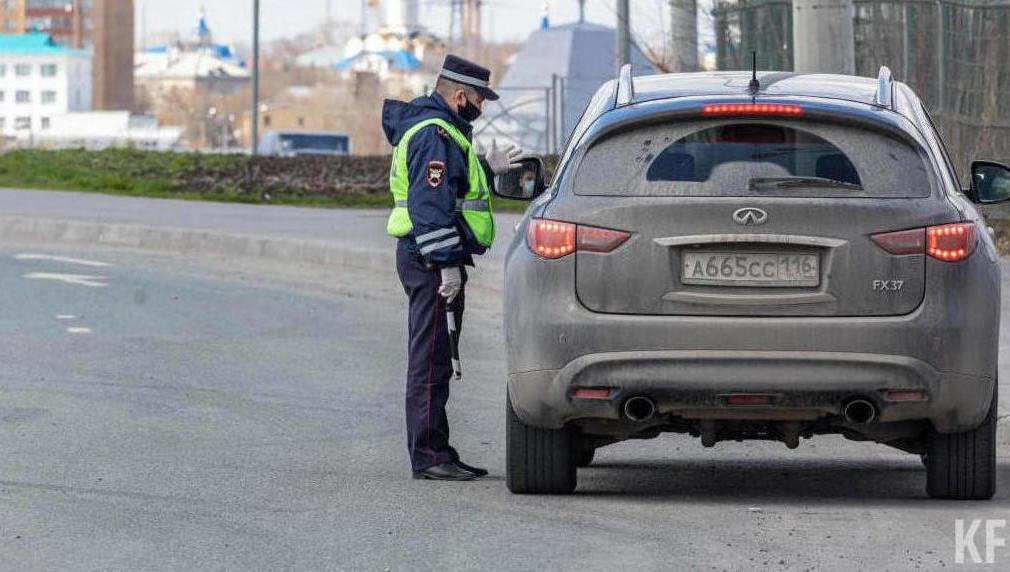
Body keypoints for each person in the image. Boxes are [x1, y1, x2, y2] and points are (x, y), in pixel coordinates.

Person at [381, 55, 522, 481]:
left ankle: (438, 449)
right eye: (480, 99)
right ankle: (428, 455)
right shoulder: (435, 134)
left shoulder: (440, 131)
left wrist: (485, 169)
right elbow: (430, 205)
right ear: (460, 96)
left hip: (428, 256)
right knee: (430, 360)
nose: (482, 106)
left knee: (438, 356)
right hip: (429, 259)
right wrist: (445, 265)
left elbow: (449, 191)